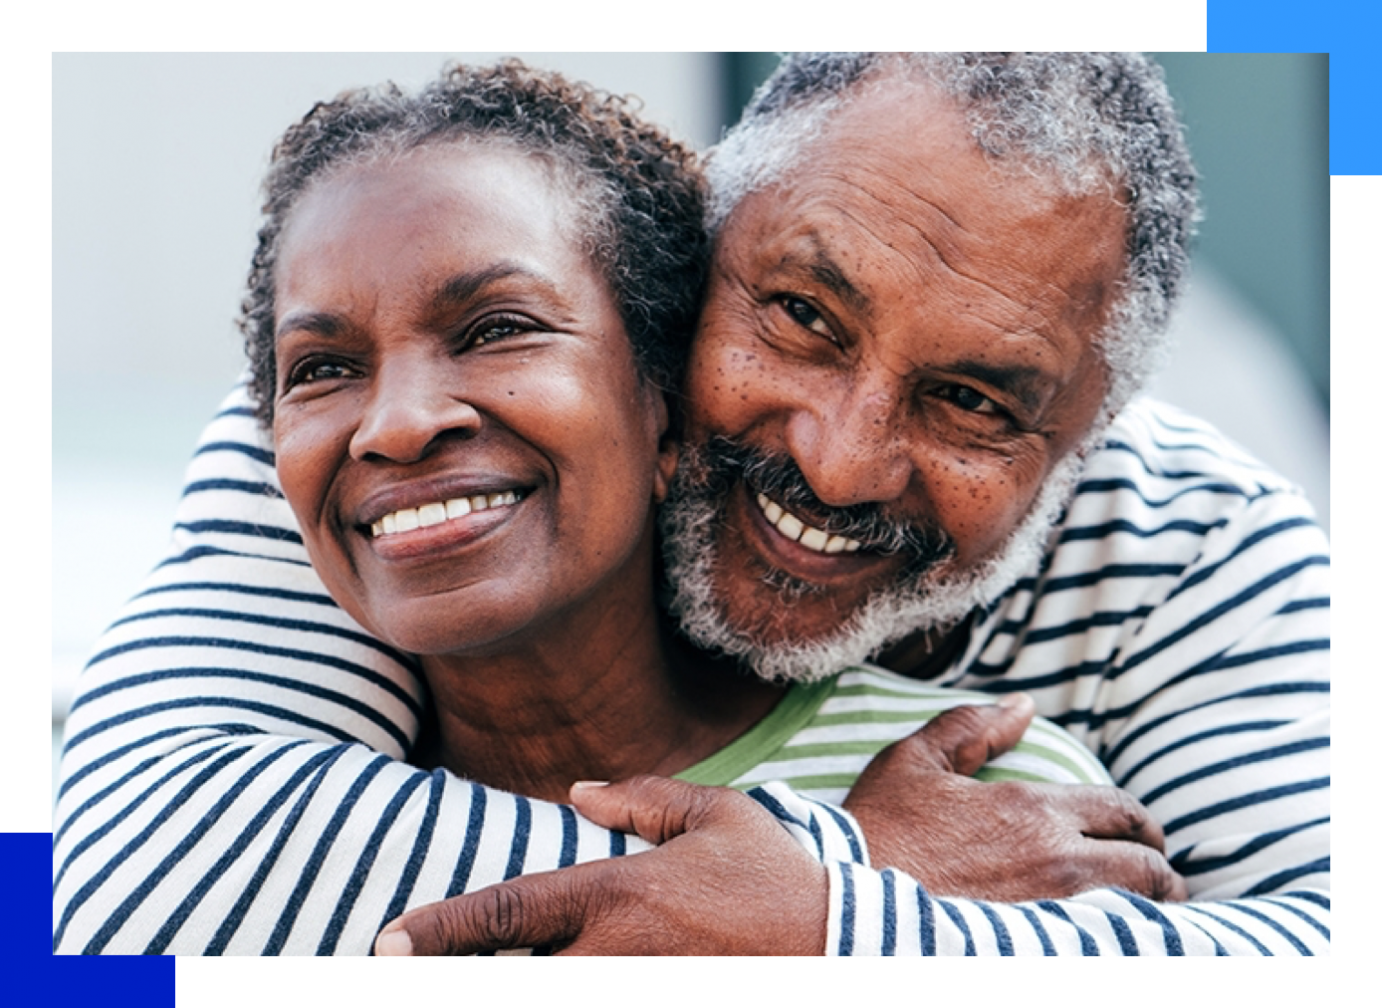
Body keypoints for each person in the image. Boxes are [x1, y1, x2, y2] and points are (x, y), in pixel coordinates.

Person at [54, 52, 1330, 957]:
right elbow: (98, 876)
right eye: (799, 316)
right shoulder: (384, 448)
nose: (838, 465)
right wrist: (838, 881)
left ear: (1087, 436)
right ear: (693, 251)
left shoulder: (1205, 556)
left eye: (974, 405)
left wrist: (820, 921)